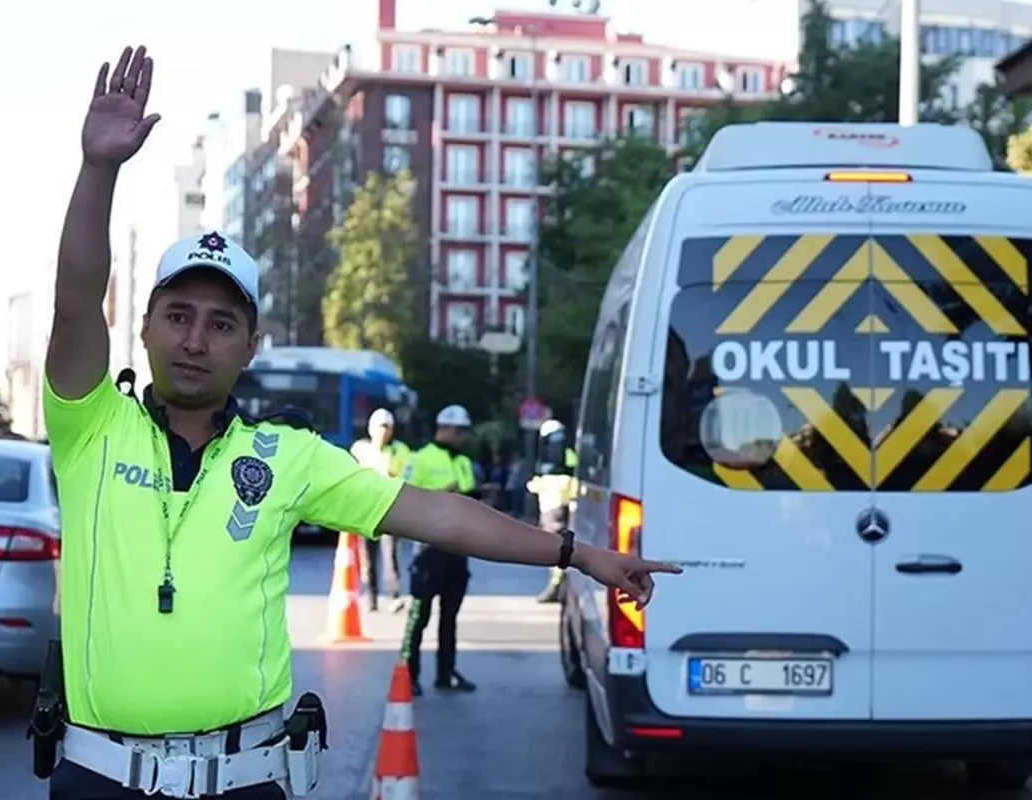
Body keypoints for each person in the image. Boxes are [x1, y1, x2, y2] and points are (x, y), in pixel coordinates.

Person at [38, 45, 679, 800]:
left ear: (250, 348)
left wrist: (575, 552)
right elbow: (77, 299)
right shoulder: (91, 428)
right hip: (102, 780)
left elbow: (439, 515)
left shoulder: (287, 456)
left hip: (245, 783)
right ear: (142, 327)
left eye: (219, 324)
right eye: (177, 316)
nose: (193, 339)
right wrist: (99, 170)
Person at [400, 405, 480, 696]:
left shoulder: (463, 462)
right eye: (458, 432)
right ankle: (408, 674)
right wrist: (439, 497)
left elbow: (469, 498)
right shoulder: (419, 459)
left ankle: (446, 672)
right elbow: (404, 498)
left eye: (464, 433)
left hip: (458, 549)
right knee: (419, 615)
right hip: (429, 549)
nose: (462, 438)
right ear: (443, 428)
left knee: (450, 616)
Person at [350, 408, 412, 612]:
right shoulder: (359, 449)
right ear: (371, 429)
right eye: (380, 427)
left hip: (391, 508)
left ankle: (394, 595)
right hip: (366, 510)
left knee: (391, 554)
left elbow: (407, 475)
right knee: (367, 557)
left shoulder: (400, 450)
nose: (383, 432)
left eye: (387, 428)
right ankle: (371, 596)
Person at [529, 419, 579, 603]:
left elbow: (548, 473)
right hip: (564, 494)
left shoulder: (549, 451)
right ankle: (559, 584)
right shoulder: (568, 448)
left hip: (553, 498)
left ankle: (556, 585)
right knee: (561, 540)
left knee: (554, 542)